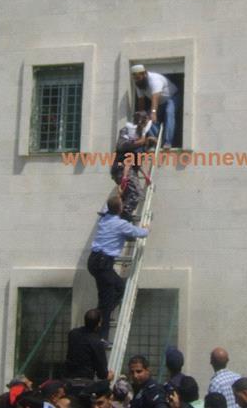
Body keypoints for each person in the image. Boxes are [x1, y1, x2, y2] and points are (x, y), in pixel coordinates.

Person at [88, 195, 150, 342]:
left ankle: (100, 313)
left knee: (119, 288)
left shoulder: (104, 219)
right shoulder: (121, 225)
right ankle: (101, 337)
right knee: (108, 299)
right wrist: (146, 228)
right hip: (103, 264)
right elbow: (140, 233)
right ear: (120, 209)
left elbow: (108, 207)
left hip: (94, 261)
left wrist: (119, 193)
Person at [111, 111, 156, 221]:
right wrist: (124, 176)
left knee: (130, 195)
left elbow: (137, 161)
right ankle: (124, 217)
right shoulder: (127, 131)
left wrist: (145, 176)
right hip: (121, 168)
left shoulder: (143, 137)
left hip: (128, 170)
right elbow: (121, 147)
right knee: (136, 193)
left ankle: (121, 217)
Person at [131, 64, 180, 150]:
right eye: (135, 78)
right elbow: (141, 100)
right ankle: (154, 140)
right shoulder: (139, 84)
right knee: (146, 118)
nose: (137, 80)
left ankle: (167, 142)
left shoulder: (154, 79)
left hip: (172, 97)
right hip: (160, 102)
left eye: (138, 78)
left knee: (169, 112)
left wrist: (153, 112)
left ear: (144, 74)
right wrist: (141, 115)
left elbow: (155, 97)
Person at [64, 308, 114, 381]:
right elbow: (102, 374)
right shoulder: (97, 342)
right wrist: (108, 375)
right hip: (85, 381)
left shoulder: (72, 334)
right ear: (99, 324)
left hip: (68, 378)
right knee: (109, 377)